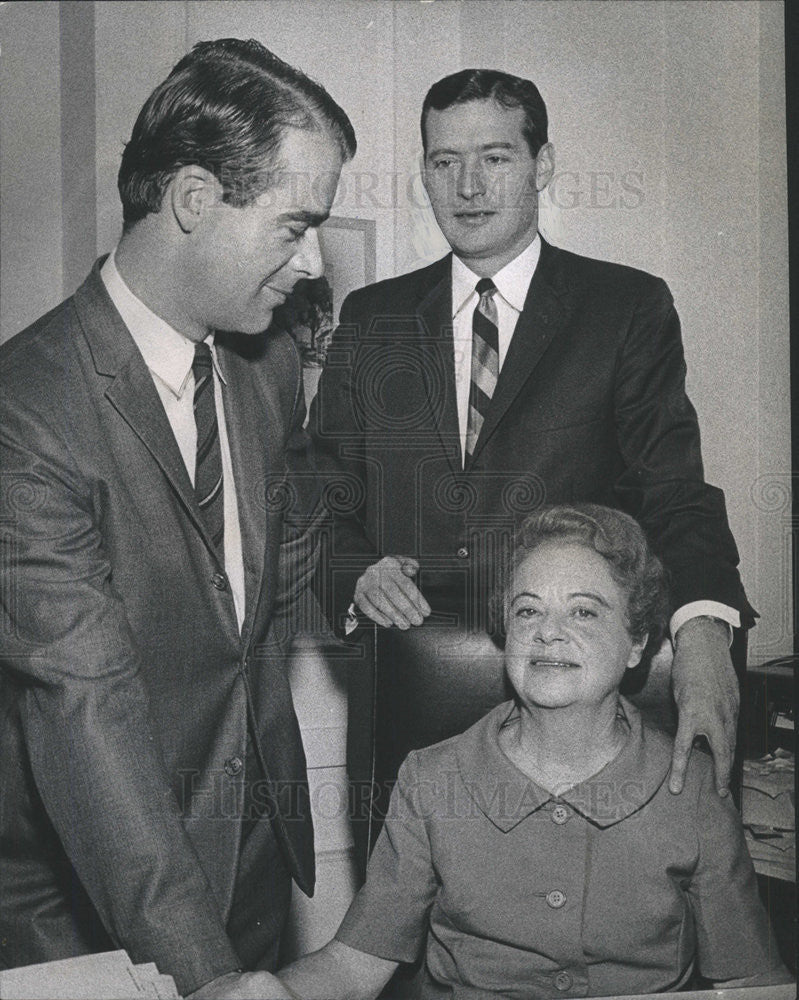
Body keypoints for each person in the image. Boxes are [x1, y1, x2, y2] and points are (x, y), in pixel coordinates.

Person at [308, 69, 755, 865]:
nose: (468, 186)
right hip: (414, 705)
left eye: (495, 157)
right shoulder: (372, 316)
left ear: (541, 165)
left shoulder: (624, 308)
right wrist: (352, 568)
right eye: (444, 162)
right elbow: (319, 480)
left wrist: (703, 633)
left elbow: (672, 488)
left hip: (574, 718)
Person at [0, 39, 354, 999]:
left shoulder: (267, 363)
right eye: (294, 226)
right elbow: (84, 708)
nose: (313, 262)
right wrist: (204, 975)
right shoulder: (25, 410)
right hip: (87, 914)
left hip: (250, 872)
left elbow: (268, 577)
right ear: (196, 200)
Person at [278, 505, 791, 999]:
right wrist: (273, 989)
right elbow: (353, 965)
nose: (548, 632)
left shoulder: (694, 788)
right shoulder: (431, 779)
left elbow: (752, 983)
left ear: (637, 643)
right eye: (528, 610)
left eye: (584, 612)